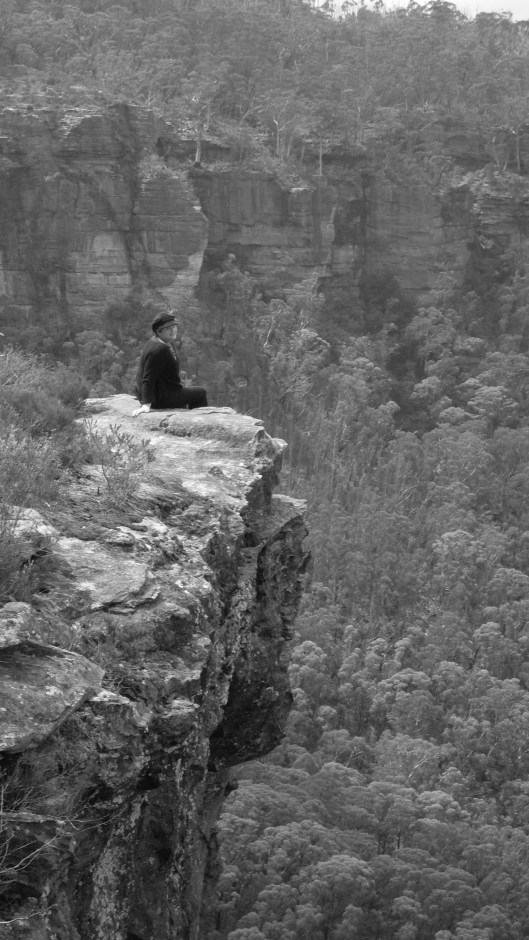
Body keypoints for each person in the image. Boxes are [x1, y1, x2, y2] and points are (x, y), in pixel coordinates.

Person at [133, 311, 208, 415]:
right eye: (169, 328)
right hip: (160, 398)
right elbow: (148, 379)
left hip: (164, 391)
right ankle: (199, 421)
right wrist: (146, 405)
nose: (173, 330)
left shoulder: (160, 342)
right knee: (201, 393)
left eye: (174, 327)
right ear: (159, 331)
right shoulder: (158, 350)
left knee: (184, 400)